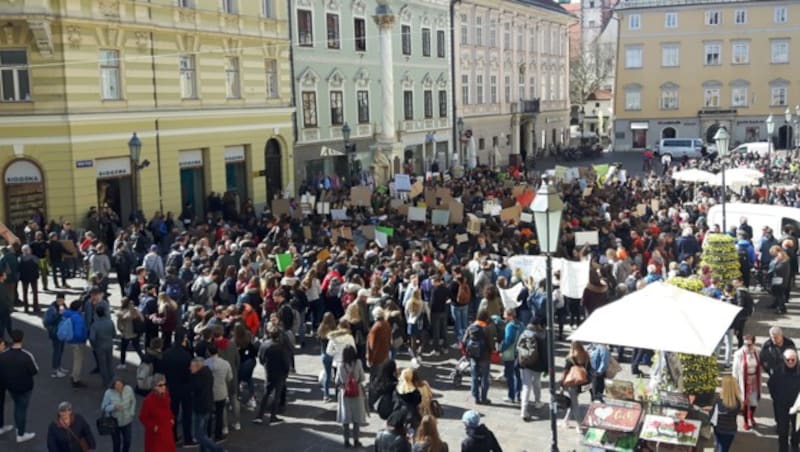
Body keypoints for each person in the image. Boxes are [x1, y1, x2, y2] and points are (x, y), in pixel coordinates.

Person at [0, 329, 38, 443]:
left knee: (17, 406)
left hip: (10, 386)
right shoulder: (27, 355)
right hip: (25, 387)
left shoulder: (3, 355)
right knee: (21, 409)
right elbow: (34, 371)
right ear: (22, 339)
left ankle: (4, 427)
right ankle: (20, 434)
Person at [161, 329, 194, 447]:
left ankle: (173, 436)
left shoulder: (167, 353)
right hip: (185, 387)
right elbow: (189, 374)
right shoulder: (186, 356)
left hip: (172, 386)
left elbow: (163, 369)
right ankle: (188, 438)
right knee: (186, 414)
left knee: (173, 413)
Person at [253, 323, 291, 425]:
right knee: (276, 395)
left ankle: (259, 415)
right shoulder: (281, 347)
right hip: (280, 373)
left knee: (266, 393)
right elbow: (286, 362)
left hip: (269, 371)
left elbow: (260, 358)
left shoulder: (264, 344)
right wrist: (287, 371)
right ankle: (273, 417)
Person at [769, 349, 800, 452]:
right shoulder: (777, 372)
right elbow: (771, 385)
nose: (790, 362)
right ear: (784, 360)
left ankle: (795, 444)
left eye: (793, 359)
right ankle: (783, 449)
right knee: (782, 431)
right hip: (782, 407)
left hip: (798, 408)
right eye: (788, 360)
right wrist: (777, 399)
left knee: (798, 429)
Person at [462, 309, 494, 405]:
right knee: (485, 377)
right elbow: (490, 343)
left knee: (474, 377)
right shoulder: (487, 328)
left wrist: (467, 352)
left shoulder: (471, 327)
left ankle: (476, 397)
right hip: (485, 356)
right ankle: (484, 398)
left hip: (474, 356)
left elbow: (464, 341)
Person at [336, 345, 366, 448]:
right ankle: (356, 440)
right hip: (357, 392)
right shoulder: (358, 363)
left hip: (345, 394)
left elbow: (337, 381)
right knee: (356, 419)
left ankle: (346, 441)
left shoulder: (340, 365)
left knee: (346, 419)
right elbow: (362, 377)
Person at [190, 357, 222, 452]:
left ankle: (218, 450)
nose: (190, 368)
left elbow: (194, 389)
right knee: (203, 433)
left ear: (198, 367)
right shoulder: (207, 373)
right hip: (207, 406)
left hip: (201, 408)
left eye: (192, 366)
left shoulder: (197, 377)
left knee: (199, 435)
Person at [518, 320, 548, 421]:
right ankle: (537, 401)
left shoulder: (523, 335)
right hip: (536, 365)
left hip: (525, 363)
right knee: (536, 383)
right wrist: (546, 367)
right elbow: (544, 354)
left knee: (526, 386)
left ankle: (523, 410)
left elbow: (518, 349)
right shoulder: (539, 337)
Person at [139, 373, 176, 452]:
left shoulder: (166, 395)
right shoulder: (148, 401)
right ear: (154, 387)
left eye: (164, 384)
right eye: (160, 385)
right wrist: (153, 427)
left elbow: (168, 410)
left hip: (166, 429)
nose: (163, 387)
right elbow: (143, 417)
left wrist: (171, 418)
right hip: (155, 434)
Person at [732, 335, 761, 430]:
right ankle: (745, 421)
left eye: (749, 344)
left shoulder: (756, 351)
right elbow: (735, 369)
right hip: (743, 380)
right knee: (745, 401)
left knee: (754, 401)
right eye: (745, 344)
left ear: (753, 343)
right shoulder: (739, 354)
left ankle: (751, 416)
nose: (747, 346)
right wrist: (735, 382)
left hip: (754, 379)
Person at [204, 343, 232, 442]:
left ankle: (207, 433)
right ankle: (218, 435)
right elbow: (229, 378)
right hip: (221, 391)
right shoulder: (225, 363)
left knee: (208, 414)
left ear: (208, 352)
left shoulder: (205, 364)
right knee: (220, 414)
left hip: (208, 392)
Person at [101, 377, 136, 452]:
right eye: (116, 385)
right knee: (116, 443)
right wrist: (113, 407)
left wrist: (131, 412)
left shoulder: (129, 389)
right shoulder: (108, 393)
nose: (118, 386)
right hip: (114, 422)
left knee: (127, 441)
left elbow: (133, 401)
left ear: (123, 383)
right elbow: (104, 407)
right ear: (113, 385)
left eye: (120, 384)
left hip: (127, 420)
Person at [561, 341, 590, 430]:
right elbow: (588, 370)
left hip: (572, 384)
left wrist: (562, 385)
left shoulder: (570, 359)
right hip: (582, 384)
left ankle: (578, 425)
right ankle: (565, 420)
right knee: (573, 402)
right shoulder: (586, 356)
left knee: (575, 405)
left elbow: (565, 373)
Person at [89, 303, 117, 388]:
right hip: (109, 344)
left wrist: (94, 345)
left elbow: (92, 338)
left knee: (102, 365)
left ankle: (106, 382)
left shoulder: (95, 325)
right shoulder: (110, 322)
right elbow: (114, 334)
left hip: (99, 346)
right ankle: (112, 380)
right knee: (109, 363)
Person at [499, 308, 523, 404]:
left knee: (510, 375)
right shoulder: (521, 325)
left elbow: (508, 340)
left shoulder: (510, 326)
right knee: (518, 375)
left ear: (510, 316)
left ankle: (511, 396)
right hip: (519, 352)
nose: (504, 316)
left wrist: (501, 349)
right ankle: (518, 395)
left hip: (510, 353)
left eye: (505, 314)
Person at [712, 376, 741, 452]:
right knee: (724, 448)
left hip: (718, 428)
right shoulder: (737, 402)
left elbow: (716, 411)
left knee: (719, 446)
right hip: (730, 429)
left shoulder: (719, 401)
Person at [43, 292, 69, 378]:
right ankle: (55, 370)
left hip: (62, 332)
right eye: (59, 299)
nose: (60, 301)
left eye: (62, 300)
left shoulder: (63, 306)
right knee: (57, 351)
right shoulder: (52, 309)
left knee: (61, 350)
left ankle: (59, 367)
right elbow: (48, 322)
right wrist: (59, 315)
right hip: (55, 333)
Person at [367, 306, 392, 370]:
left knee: (375, 377)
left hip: (377, 358)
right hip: (385, 354)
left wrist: (370, 359)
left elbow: (372, 346)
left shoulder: (375, 328)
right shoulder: (387, 324)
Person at [18, 244, 40, 313]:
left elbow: (18, 268)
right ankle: (35, 307)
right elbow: (38, 265)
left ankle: (26, 308)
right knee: (35, 292)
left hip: (24, 278)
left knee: (25, 293)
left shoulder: (19, 258)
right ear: (29, 250)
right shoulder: (34, 257)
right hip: (33, 277)